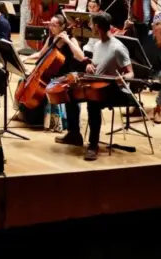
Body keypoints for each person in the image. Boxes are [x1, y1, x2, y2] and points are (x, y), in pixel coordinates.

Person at [55, 12, 132, 161]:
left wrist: (121, 78)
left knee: (93, 103)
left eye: (91, 24)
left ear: (97, 27)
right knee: (69, 92)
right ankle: (74, 133)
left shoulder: (117, 47)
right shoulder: (97, 44)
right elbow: (97, 66)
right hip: (97, 85)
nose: (89, 26)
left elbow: (130, 73)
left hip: (115, 90)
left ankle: (93, 145)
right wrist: (90, 66)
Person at [25, 14, 85, 131]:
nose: (50, 27)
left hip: (64, 77)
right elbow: (41, 54)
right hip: (52, 75)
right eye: (50, 24)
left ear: (62, 27)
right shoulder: (51, 39)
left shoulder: (71, 40)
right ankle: (31, 116)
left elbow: (81, 56)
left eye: (54, 25)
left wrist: (67, 40)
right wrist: (26, 58)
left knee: (48, 87)